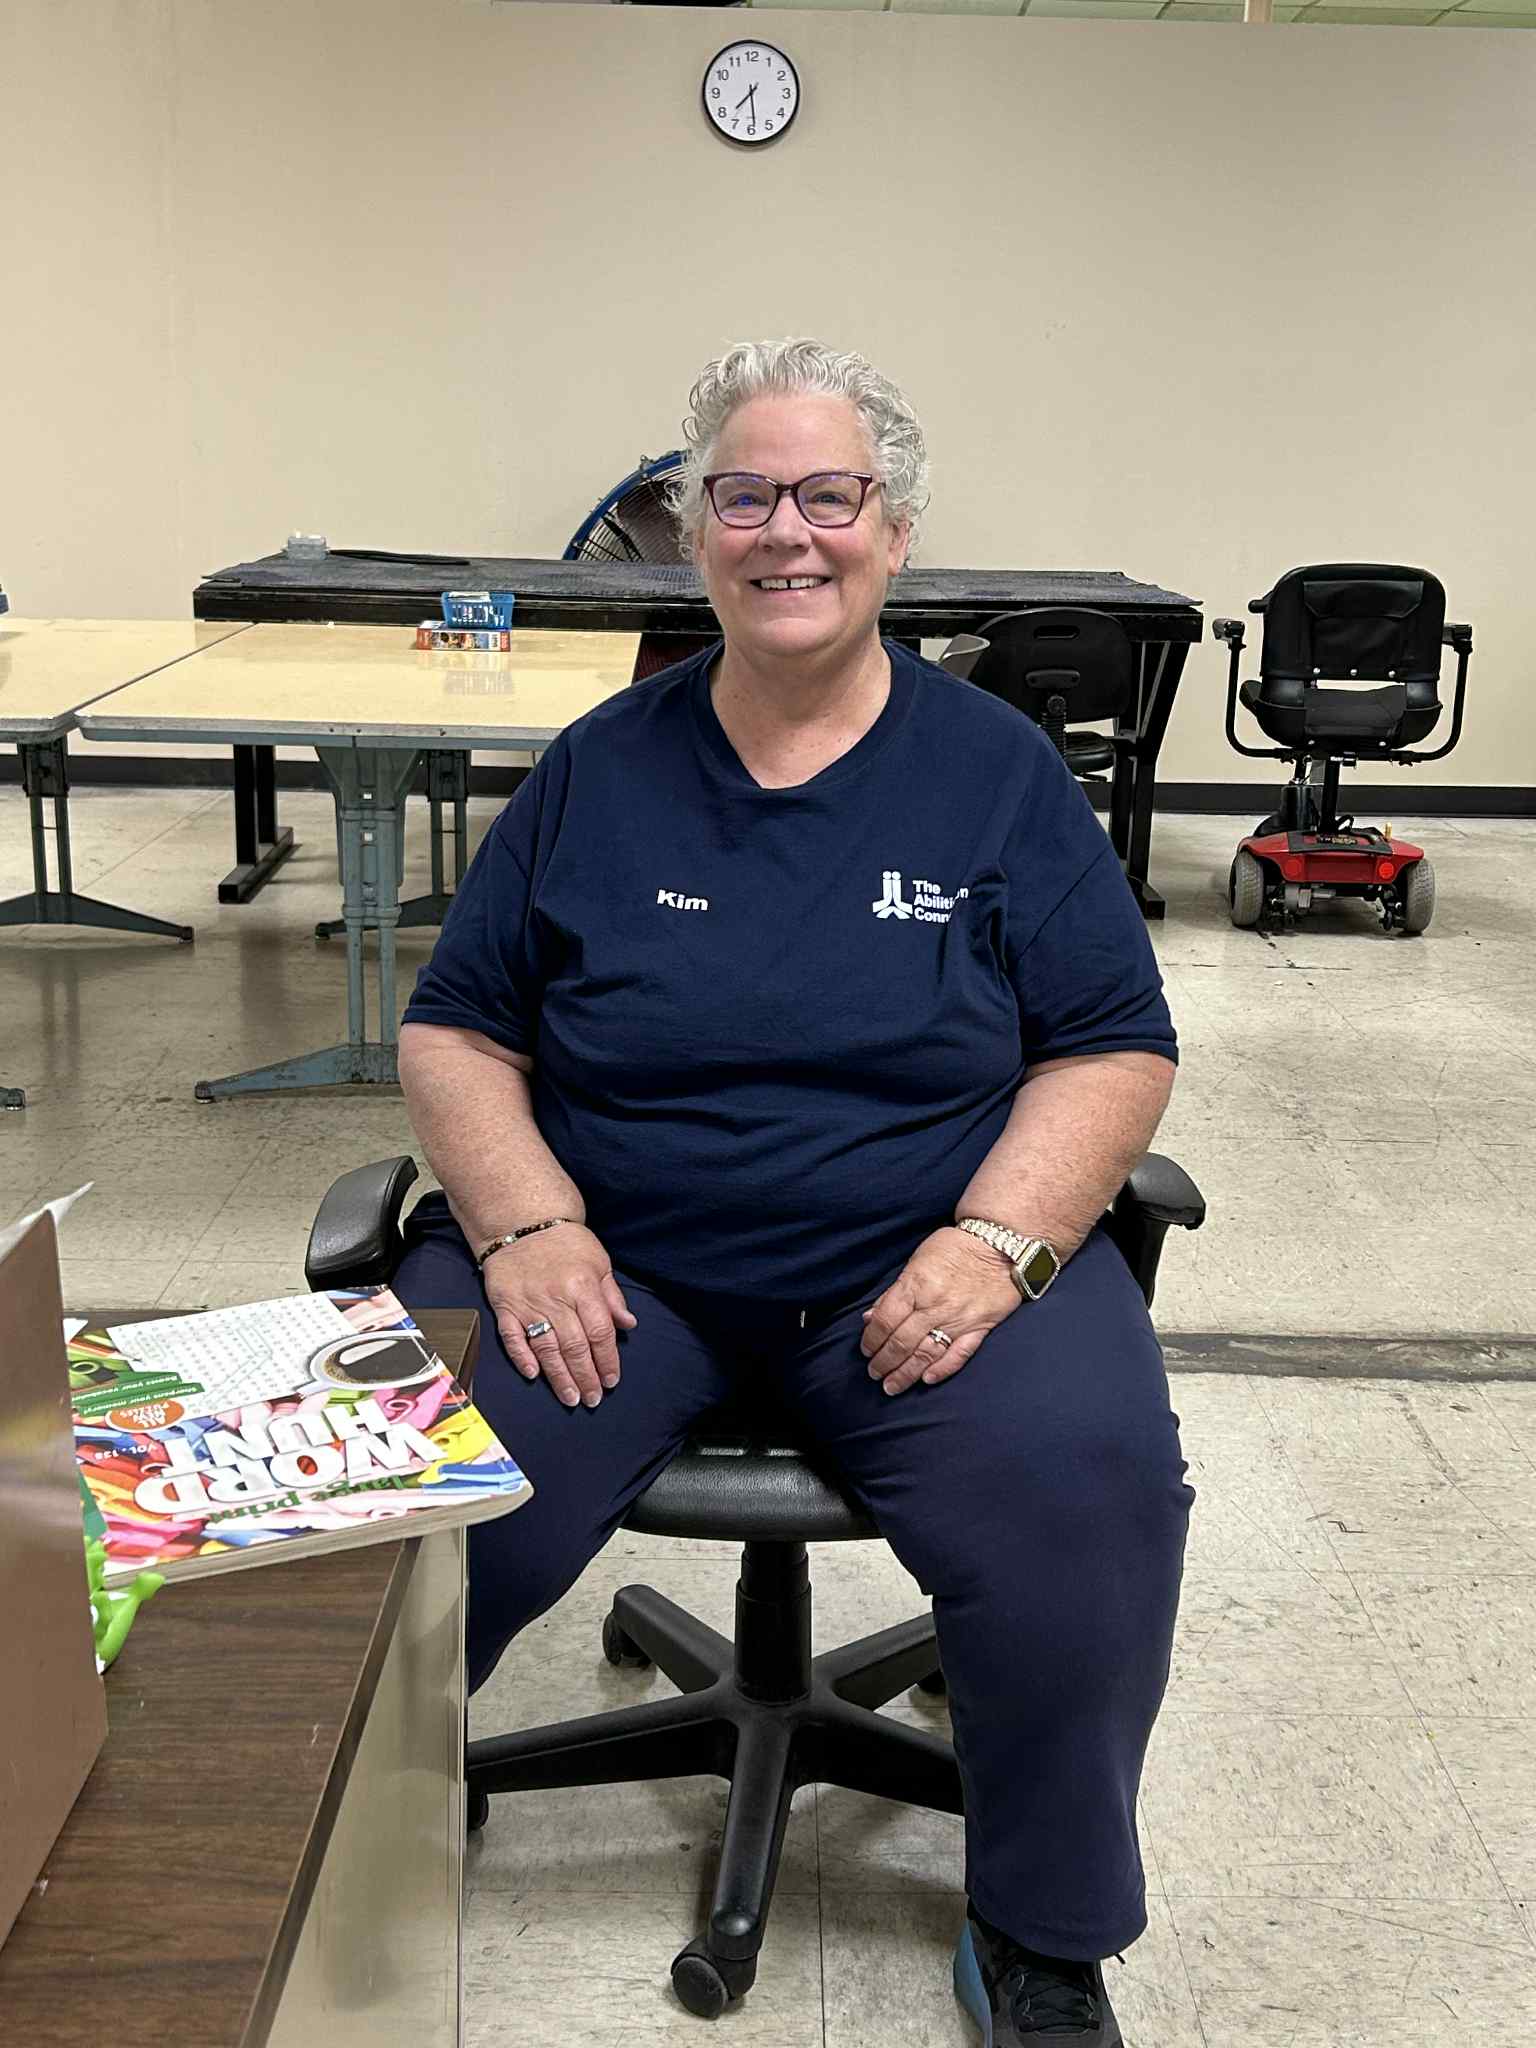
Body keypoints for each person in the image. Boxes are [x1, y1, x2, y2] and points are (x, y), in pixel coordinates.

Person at [395, 338, 1195, 2047]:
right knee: (399, 1514)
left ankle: (1044, 1932)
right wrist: (527, 1225)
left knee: (1088, 1511)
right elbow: (458, 1028)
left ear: (893, 533)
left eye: (828, 497)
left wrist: (999, 1244)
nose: (787, 534)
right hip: (617, 1268)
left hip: (917, 1270)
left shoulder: (996, 777)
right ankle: (338, 1828)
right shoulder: (598, 771)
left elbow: (1115, 1047)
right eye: (744, 496)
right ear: (696, 532)